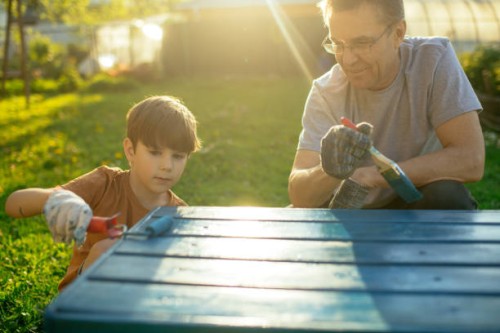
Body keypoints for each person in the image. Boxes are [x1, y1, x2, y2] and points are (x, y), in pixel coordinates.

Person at [288, 0, 485, 209]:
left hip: (412, 198)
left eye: (362, 43)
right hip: (348, 207)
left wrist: (371, 176)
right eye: (338, 43)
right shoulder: (326, 91)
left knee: (447, 195)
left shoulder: (433, 60)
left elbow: (470, 160)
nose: (347, 59)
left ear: (398, 33)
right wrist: (328, 172)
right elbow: (299, 196)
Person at [5, 95, 201, 290]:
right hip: (81, 299)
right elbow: (13, 204)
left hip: (139, 303)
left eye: (178, 156)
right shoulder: (104, 183)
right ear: (130, 150)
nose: (167, 166)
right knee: (105, 250)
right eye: (154, 152)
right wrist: (58, 199)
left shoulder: (180, 215)